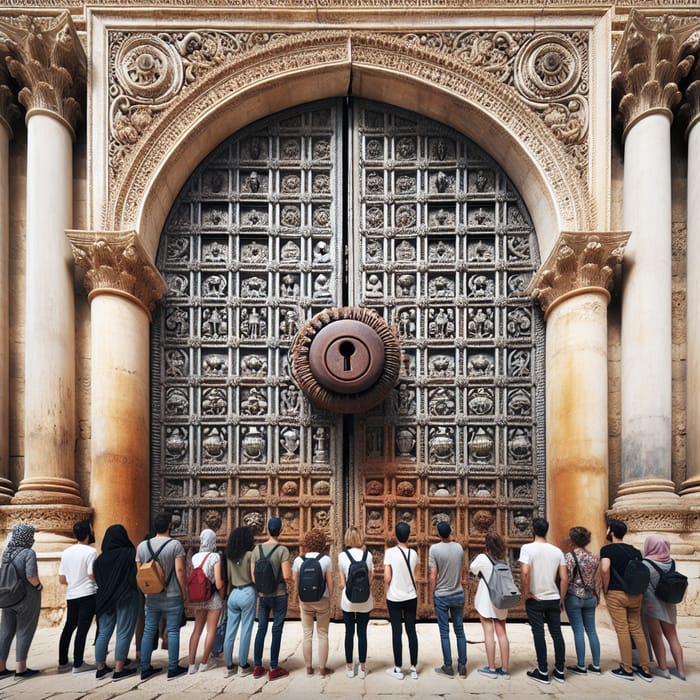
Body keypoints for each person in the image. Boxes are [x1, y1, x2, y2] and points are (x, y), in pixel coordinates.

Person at [137, 511, 188, 681]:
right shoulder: (175, 545)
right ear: (169, 526)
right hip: (172, 594)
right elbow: (180, 570)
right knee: (173, 631)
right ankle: (172, 668)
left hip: (151, 595)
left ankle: (144, 668)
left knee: (149, 630)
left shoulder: (142, 546)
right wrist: (185, 592)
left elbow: (140, 572)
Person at [600, 518, 652, 681]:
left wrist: (605, 589)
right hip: (636, 593)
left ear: (612, 532)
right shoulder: (635, 551)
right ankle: (645, 669)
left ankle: (627, 668)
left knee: (622, 630)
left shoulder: (607, 550)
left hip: (616, 593)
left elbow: (605, 569)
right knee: (637, 629)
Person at [519, 516, 568, 685]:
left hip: (536, 599)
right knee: (556, 633)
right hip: (553, 598)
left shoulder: (527, 548)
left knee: (538, 633)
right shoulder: (557, 551)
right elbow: (564, 578)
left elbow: (525, 572)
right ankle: (560, 671)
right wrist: (561, 599)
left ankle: (542, 671)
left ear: (532, 529)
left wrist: (527, 592)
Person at [93, 524, 140, 681]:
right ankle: (119, 668)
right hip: (126, 597)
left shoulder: (99, 560)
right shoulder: (129, 553)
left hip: (105, 600)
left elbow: (98, 581)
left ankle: (100, 668)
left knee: (104, 632)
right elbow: (135, 575)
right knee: (124, 631)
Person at [251, 516, 292, 681]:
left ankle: (258, 666)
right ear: (281, 530)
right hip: (279, 594)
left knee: (261, 629)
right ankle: (274, 667)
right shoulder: (282, 550)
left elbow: (253, 577)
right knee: (276, 629)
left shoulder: (257, 550)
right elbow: (287, 575)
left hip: (263, 596)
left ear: (267, 529)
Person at [0, 523, 43, 678]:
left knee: (5, 632)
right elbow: (31, 576)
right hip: (26, 598)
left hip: (7, 597)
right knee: (24, 631)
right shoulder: (28, 553)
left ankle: (1, 667)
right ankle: (21, 669)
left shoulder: (7, 552)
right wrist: (39, 586)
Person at [641, 535, 685, 680]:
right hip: (669, 604)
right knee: (673, 636)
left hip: (652, 605)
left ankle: (663, 668)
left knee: (656, 636)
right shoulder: (672, 563)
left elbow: (645, 587)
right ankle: (680, 670)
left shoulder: (645, 564)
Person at [292, 528, 334, 676]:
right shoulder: (326, 560)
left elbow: (295, 582)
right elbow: (330, 583)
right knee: (323, 634)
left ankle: (309, 667)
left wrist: (295, 598)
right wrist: (332, 599)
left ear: (307, 543)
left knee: (307, 634)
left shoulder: (298, 560)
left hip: (305, 601)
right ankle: (322, 668)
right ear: (322, 543)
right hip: (322, 600)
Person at [469, 531, 511, 679]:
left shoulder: (482, 557)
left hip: (486, 600)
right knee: (502, 632)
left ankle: (492, 668)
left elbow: (473, 569)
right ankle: (505, 669)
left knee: (488, 632)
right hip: (501, 599)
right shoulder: (504, 559)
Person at [57, 520, 97, 674]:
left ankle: (63, 662)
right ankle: (78, 663)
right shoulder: (90, 552)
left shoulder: (66, 552)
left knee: (69, 627)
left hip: (71, 594)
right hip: (87, 594)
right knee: (82, 628)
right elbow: (91, 574)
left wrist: (74, 580)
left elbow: (62, 579)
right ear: (88, 534)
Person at [429, 521, 467, 678]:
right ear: (450, 532)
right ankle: (463, 666)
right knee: (459, 631)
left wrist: (432, 592)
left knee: (444, 632)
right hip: (458, 593)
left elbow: (433, 575)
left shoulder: (435, 549)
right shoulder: (458, 547)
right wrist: (462, 581)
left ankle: (448, 666)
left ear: (438, 534)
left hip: (442, 596)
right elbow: (463, 567)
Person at [384, 521, 419, 680]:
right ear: (409, 535)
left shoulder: (390, 552)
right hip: (411, 596)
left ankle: (398, 668)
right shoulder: (414, 553)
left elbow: (387, 577)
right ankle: (413, 668)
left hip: (394, 597)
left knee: (396, 632)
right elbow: (416, 576)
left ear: (396, 535)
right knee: (411, 631)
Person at [564, 526, 601, 675]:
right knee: (592, 630)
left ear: (573, 540)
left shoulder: (569, 556)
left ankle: (581, 665)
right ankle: (596, 665)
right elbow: (596, 579)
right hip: (590, 596)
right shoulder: (595, 556)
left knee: (578, 631)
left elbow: (566, 578)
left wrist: (562, 597)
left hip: (574, 595)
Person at [338, 525, 374, 679]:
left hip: (348, 600)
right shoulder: (368, 555)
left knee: (349, 633)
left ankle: (349, 667)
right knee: (362, 633)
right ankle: (363, 667)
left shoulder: (342, 556)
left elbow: (342, 583)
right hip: (365, 600)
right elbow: (371, 577)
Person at [187, 529, 224, 674]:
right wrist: (222, 593)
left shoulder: (195, 557)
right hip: (213, 597)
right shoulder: (215, 557)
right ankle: (203, 663)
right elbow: (219, 582)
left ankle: (191, 665)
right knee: (211, 630)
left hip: (199, 597)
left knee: (197, 629)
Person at [223, 526, 256, 678]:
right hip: (247, 591)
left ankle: (229, 665)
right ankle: (243, 665)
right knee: (246, 629)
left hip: (233, 593)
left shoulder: (229, 556)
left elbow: (229, 577)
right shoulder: (250, 555)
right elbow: (253, 576)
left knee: (230, 631)